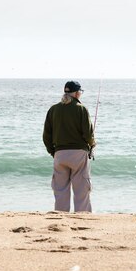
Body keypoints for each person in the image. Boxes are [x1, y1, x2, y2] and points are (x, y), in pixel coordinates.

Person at [42, 81, 96, 212]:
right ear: (77, 93)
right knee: (81, 190)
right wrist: (92, 144)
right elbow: (88, 133)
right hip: (79, 154)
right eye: (80, 92)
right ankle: (82, 216)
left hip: (59, 154)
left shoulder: (53, 109)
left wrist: (53, 152)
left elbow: (46, 136)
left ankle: (60, 216)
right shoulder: (81, 108)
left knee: (60, 190)